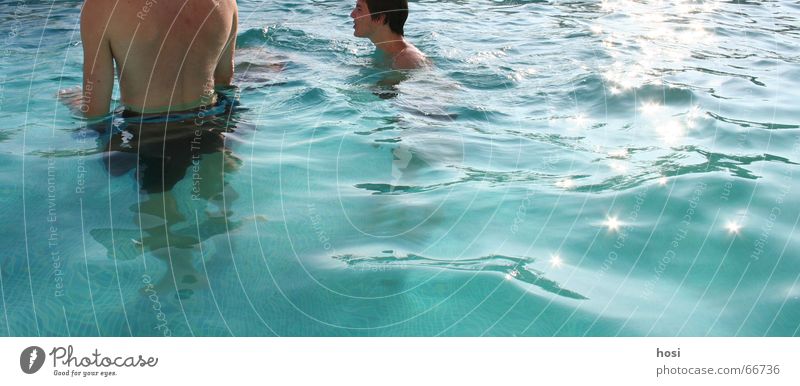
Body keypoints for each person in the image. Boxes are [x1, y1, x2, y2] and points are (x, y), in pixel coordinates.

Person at [78, 0, 238, 117]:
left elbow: (94, 113)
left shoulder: (101, 6)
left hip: (144, 134)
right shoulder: (227, 3)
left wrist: (74, 102)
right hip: (211, 122)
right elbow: (225, 79)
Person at [350, 0, 429, 70]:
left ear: (380, 18)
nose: (352, 14)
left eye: (359, 9)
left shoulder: (406, 60)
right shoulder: (384, 52)